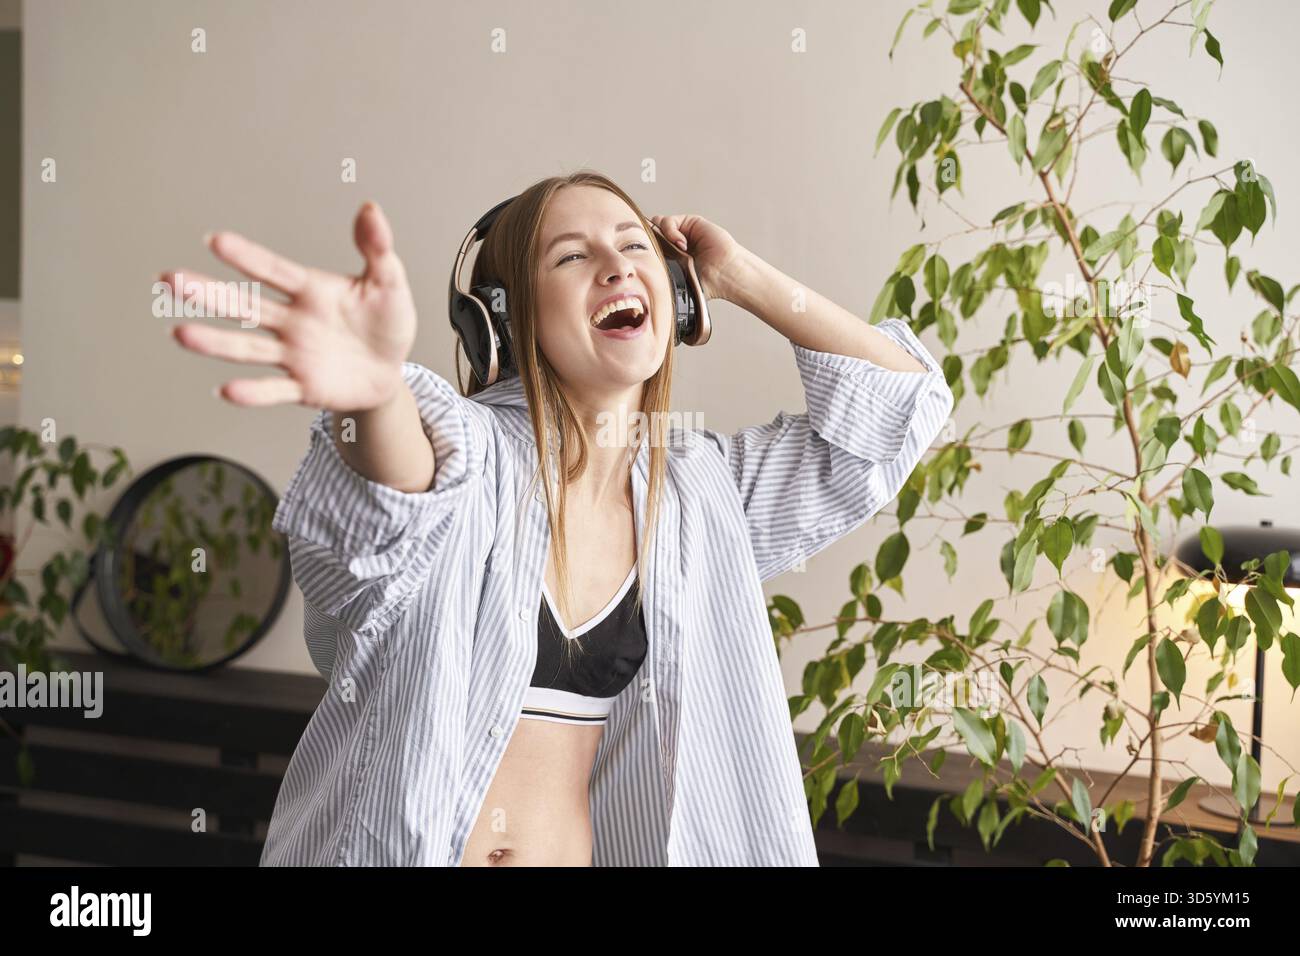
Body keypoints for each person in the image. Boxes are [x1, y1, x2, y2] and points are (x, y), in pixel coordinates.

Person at [163, 170, 955, 866]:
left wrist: (740, 277)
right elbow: (402, 492)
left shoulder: (697, 496)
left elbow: (894, 411)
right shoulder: (472, 452)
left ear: (675, 296)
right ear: (504, 320)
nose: (614, 263)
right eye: (571, 256)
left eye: (634, 245)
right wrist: (372, 395)